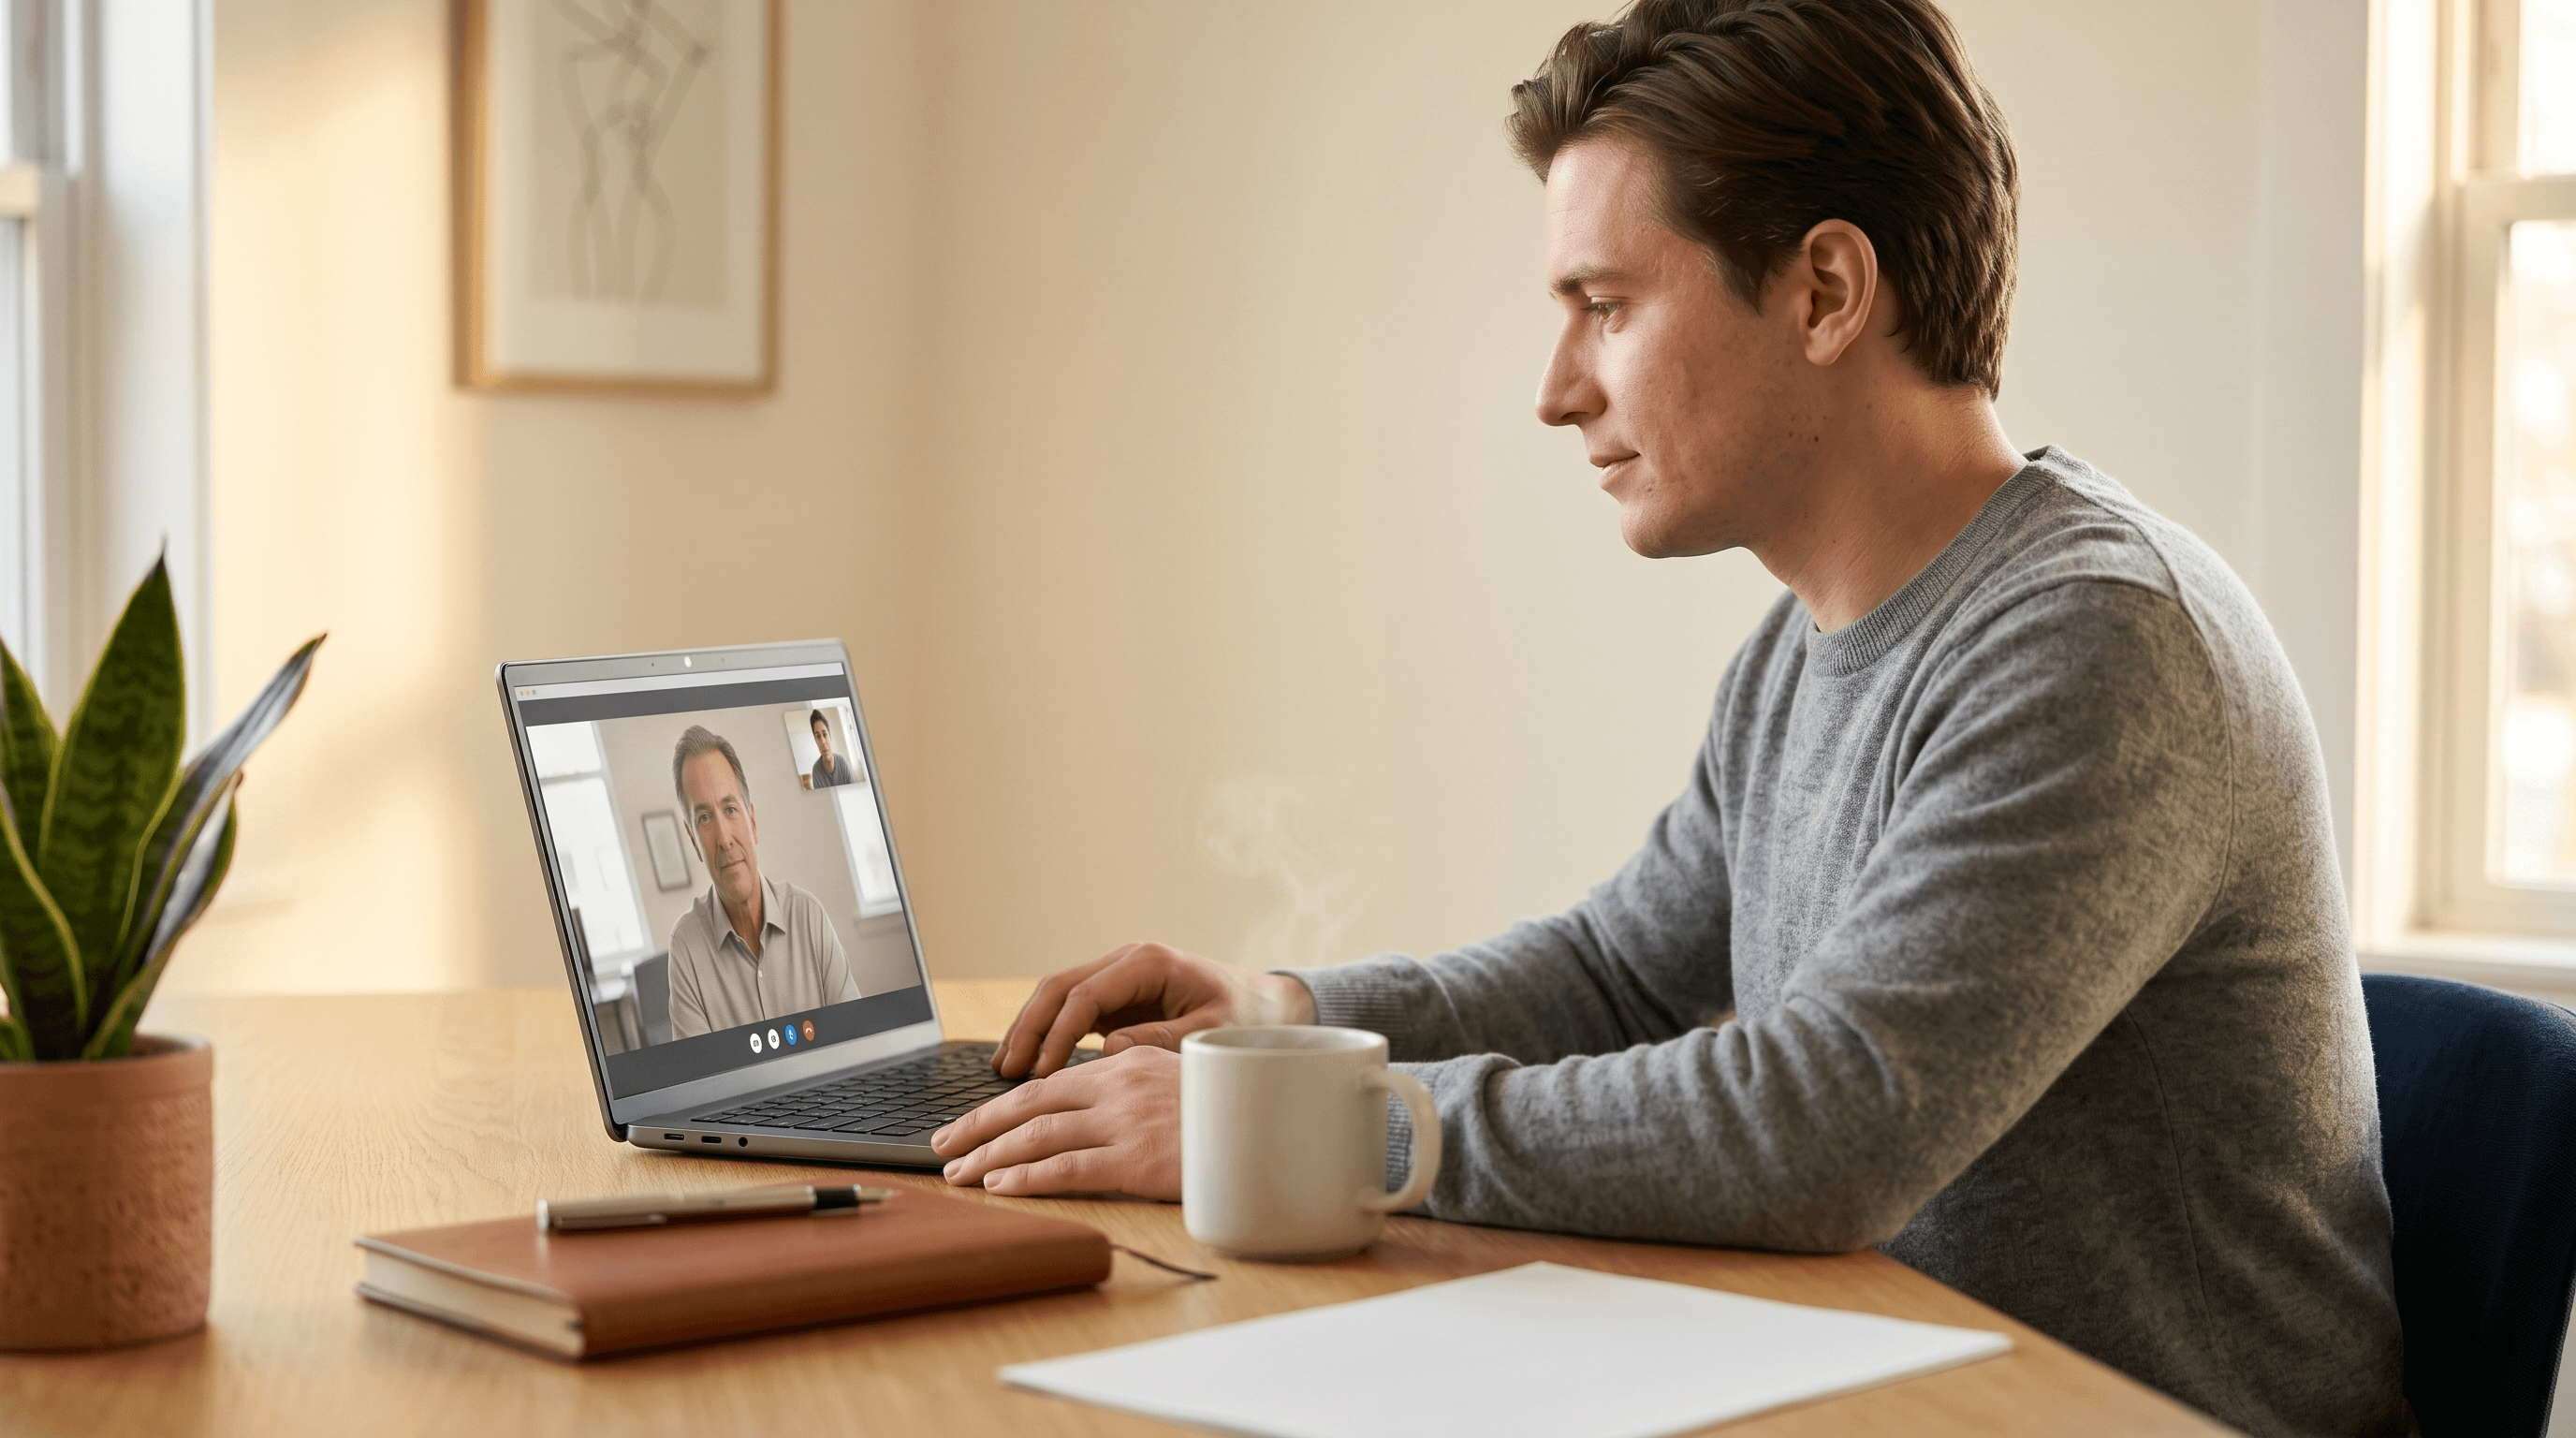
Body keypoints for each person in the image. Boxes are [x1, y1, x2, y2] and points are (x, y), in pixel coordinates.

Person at [927, 3, 2408, 1434]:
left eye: (1605, 306)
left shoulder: (2099, 639)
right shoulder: (1801, 651)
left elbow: (1833, 1124)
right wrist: (1281, 1021)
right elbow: (1619, 978)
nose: (1555, 389)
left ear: (1828, 291)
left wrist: (1307, 1134)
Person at [665, 725, 862, 1037]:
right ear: (693, 842)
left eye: (730, 809)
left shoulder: (807, 915)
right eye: (704, 818)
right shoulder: (686, 948)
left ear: (752, 821)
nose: (724, 839)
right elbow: (705, 1082)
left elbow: (856, 1040)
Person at [809, 709, 856, 789]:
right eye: (818, 736)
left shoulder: (843, 764)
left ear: (830, 737)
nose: (823, 742)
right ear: (815, 741)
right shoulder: (816, 771)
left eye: (825, 734)